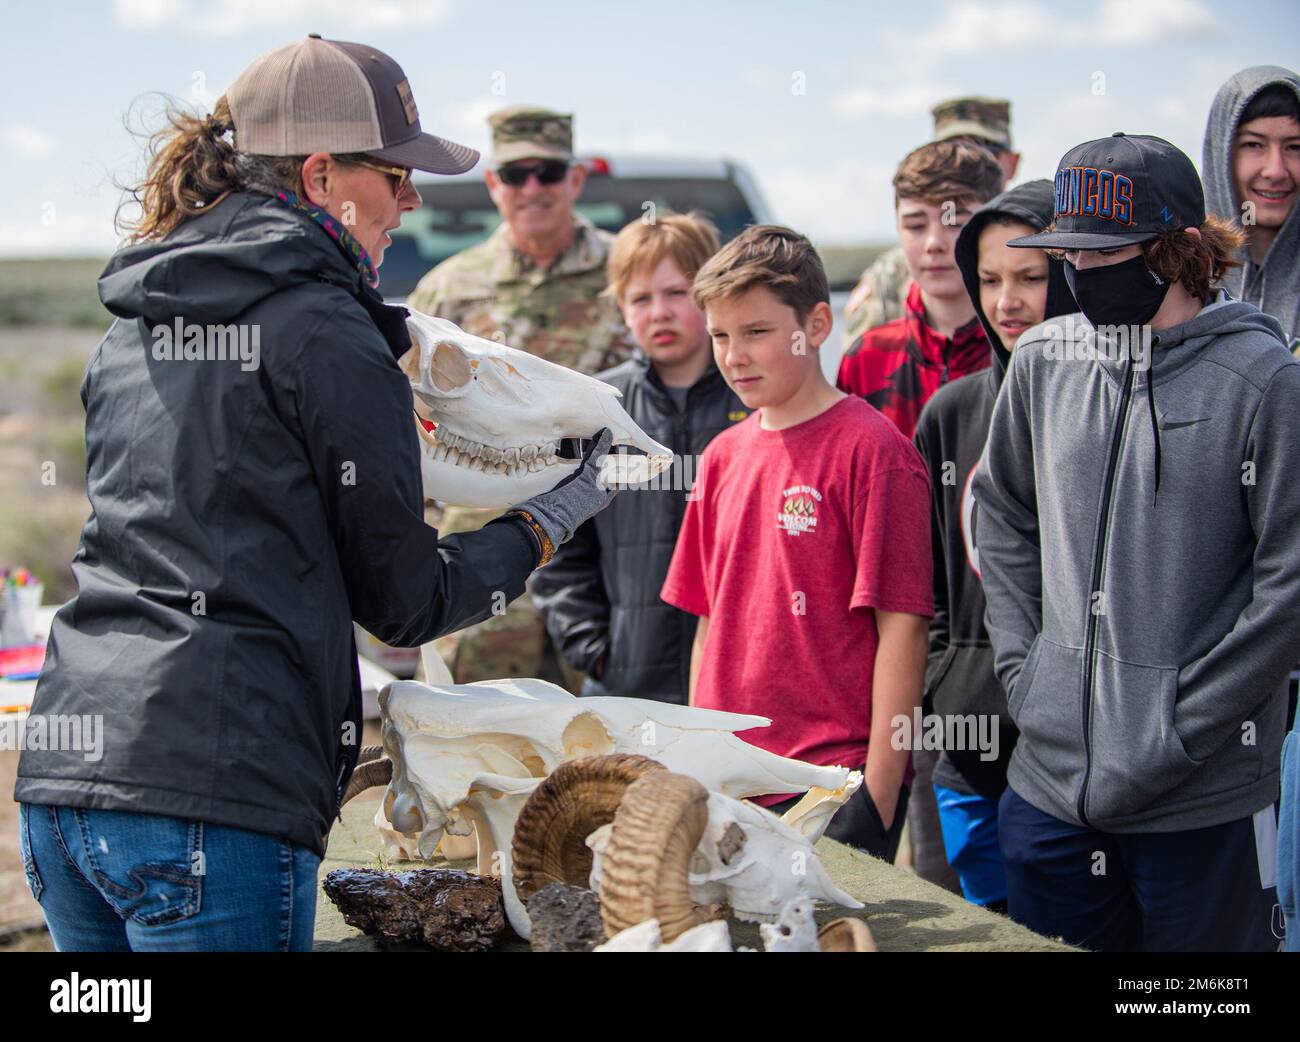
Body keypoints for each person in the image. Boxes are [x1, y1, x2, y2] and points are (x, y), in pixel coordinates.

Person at [13, 35, 620, 952]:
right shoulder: (328, 331)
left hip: (64, 789)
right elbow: (407, 602)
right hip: (214, 803)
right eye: (398, 173)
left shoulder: (135, 321)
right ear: (322, 173)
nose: (412, 199)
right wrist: (546, 521)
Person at [973, 132, 1300, 951]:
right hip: (1047, 794)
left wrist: (1184, 727)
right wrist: (1025, 672)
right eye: (1068, 253)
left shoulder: (1265, 382)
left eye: (1104, 252)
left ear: (1180, 248)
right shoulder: (1043, 360)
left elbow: (1288, 581)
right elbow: (1001, 513)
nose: (1080, 272)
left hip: (1203, 805)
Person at [661, 225, 933, 862]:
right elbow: (708, 621)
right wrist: (702, 753)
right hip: (729, 778)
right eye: (721, 336)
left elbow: (904, 629)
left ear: (815, 325)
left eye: (755, 332)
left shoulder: (873, 450)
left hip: (827, 783)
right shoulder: (721, 456)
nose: (734, 356)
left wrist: (879, 793)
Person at [406, 105, 636, 686]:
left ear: (575, 179)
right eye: (514, 174)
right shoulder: (448, 287)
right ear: (493, 185)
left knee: (604, 756)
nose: (532, 188)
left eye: (548, 172)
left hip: (604, 559)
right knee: (476, 749)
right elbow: (412, 420)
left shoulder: (632, 276)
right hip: (478, 553)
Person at [913, 179, 1075, 912]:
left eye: (1031, 278)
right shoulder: (952, 412)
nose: (1007, 301)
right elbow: (929, 583)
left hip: (1081, 742)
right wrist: (947, 685)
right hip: (973, 739)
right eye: (990, 280)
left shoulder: (1112, 406)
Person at [532, 212, 747, 704]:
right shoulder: (597, 408)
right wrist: (595, 649)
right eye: (641, 299)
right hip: (624, 691)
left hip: (738, 686)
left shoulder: (755, 401)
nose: (660, 313)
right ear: (621, 309)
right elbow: (561, 544)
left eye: (677, 293)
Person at [836, 139, 1002, 440]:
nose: (933, 243)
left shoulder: (1018, 352)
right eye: (915, 226)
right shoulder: (867, 359)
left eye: (955, 222)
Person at [843, 97, 1020, 343]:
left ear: (1011, 164)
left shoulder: (1040, 254)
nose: (967, 161)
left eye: (983, 149)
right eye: (952, 151)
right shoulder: (891, 274)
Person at [1203, 66, 1300, 346]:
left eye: (1294, 147)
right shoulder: (1171, 276)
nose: (1275, 171)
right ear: (1220, 152)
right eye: (1254, 145)